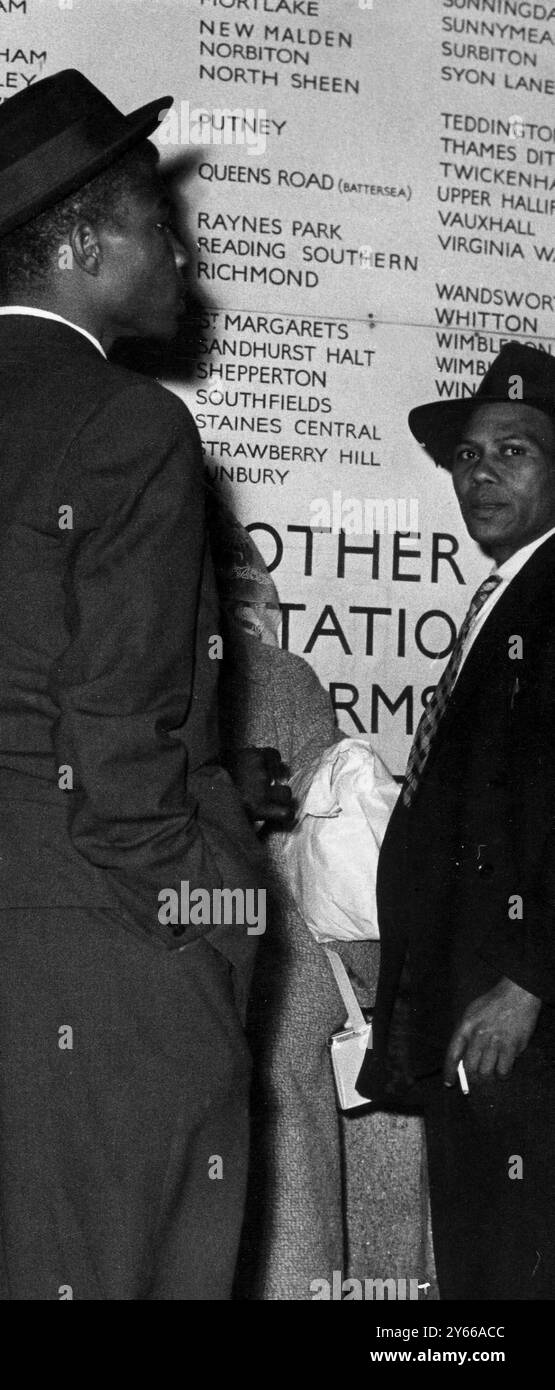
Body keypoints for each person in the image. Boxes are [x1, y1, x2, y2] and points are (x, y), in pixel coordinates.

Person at [0, 70, 263, 1300]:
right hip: (106, 923)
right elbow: (122, 719)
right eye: (154, 225)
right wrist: (204, 905)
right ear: (83, 243)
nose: (180, 252)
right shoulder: (134, 429)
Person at [358, 341, 555, 1299]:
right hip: (474, 1004)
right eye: (468, 457)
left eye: (512, 452)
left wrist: (528, 979)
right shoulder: (511, 591)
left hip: (522, 1016)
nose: (479, 473)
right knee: (481, 1264)